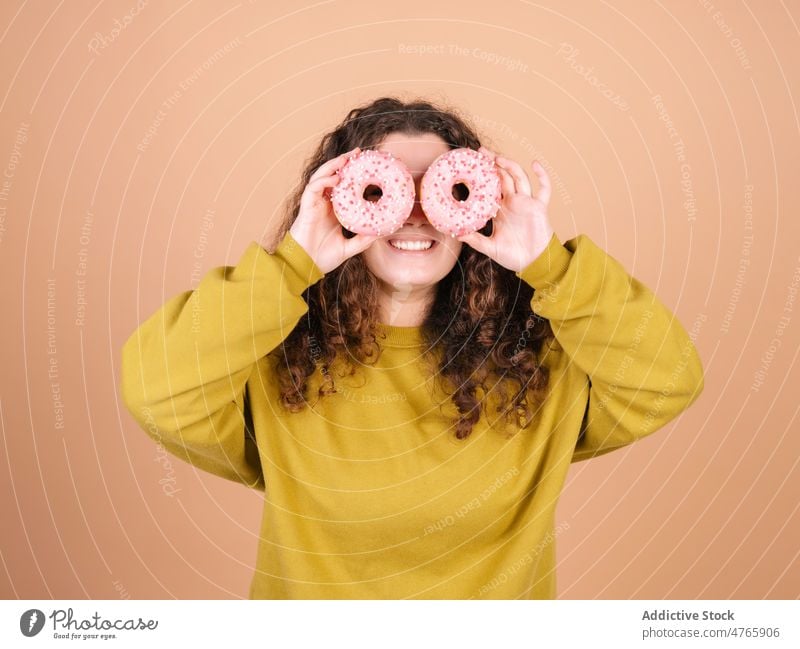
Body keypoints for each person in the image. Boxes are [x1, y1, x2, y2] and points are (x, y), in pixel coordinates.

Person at [120, 97, 705, 599]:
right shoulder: (276, 359)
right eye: (385, 188)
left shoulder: (537, 359)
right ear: (339, 202)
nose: (417, 213)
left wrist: (550, 266)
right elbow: (158, 390)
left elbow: (668, 376)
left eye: (444, 187)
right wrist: (290, 265)